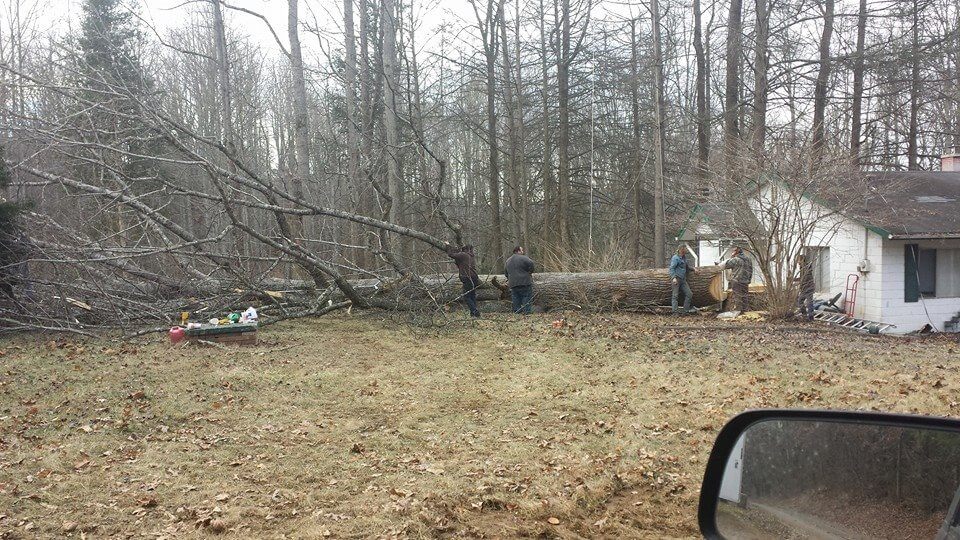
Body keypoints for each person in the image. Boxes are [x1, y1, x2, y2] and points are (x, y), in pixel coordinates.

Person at [446, 243, 481, 318]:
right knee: (472, 296)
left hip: (467, 277)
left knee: (466, 296)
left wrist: (448, 245)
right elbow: (458, 261)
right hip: (474, 277)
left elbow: (451, 254)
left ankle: (475, 311)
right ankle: (473, 314)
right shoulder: (471, 256)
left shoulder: (464, 255)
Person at [720, 246, 753, 312]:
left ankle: (738, 311)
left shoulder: (735, 259)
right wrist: (749, 280)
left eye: (733, 251)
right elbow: (751, 270)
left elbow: (725, 265)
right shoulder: (748, 259)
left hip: (737, 281)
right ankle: (745, 311)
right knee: (745, 296)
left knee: (737, 297)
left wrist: (731, 257)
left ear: (736, 252)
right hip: (745, 281)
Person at [504, 246, 535, 315]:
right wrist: (530, 272)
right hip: (525, 281)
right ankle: (527, 312)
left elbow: (506, 273)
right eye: (522, 250)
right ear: (518, 251)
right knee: (526, 297)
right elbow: (531, 264)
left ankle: (517, 313)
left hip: (513, 283)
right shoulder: (524, 258)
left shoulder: (508, 261)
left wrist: (510, 278)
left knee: (516, 299)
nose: (522, 252)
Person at [669, 246, 695, 315]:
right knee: (675, 296)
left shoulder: (684, 258)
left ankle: (685, 311)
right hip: (676, 279)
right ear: (681, 250)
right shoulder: (675, 258)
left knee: (689, 294)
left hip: (683, 280)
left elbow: (687, 267)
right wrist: (673, 278)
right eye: (685, 249)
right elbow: (672, 268)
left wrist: (693, 269)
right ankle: (675, 312)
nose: (686, 250)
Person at [796, 254, 816, 321]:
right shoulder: (802, 268)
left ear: (802, 260)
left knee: (809, 303)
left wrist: (799, 283)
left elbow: (806, 278)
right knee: (800, 301)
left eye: (798, 260)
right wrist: (793, 279)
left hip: (808, 288)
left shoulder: (806, 267)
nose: (797, 262)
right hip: (804, 288)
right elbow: (802, 278)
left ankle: (811, 317)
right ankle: (804, 315)